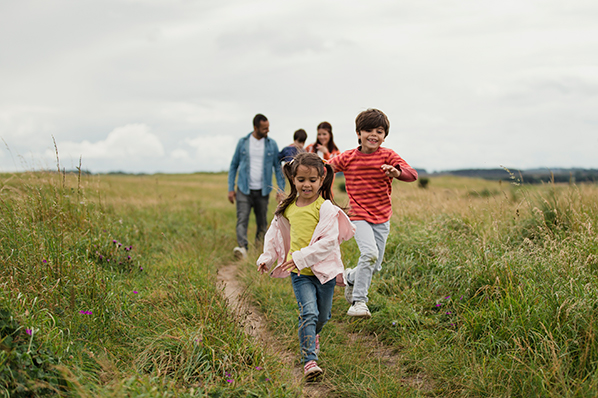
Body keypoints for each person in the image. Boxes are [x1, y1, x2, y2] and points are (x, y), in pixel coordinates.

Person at [257, 152, 355, 380]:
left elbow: (329, 242)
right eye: (301, 180)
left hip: (325, 273)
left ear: (322, 180)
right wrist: (266, 257)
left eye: (312, 180)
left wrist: (301, 256)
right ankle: (309, 360)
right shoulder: (287, 207)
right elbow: (274, 235)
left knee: (323, 316)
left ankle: (312, 334)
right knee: (308, 312)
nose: (306, 185)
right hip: (299, 273)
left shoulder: (326, 209)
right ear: (293, 179)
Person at [328, 108, 418, 318]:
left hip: (382, 217)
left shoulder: (388, 155)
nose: (373, 135)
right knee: (369, 254)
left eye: (379, 131)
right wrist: (300, 166)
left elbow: (412, 174)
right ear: (358, 133)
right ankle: (359, 302)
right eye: (368, 130)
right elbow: (325, 168)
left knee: (374, 265)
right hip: (358, 214)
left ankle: (350, 276)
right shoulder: (349, 157)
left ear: (384, 136)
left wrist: (397, 172)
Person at [228, 114, 286, 259]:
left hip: (263, 190)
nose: (267, 131)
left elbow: (277, 168)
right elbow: (234, 165)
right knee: (242, 219)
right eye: (264, 128)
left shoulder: (272, 144)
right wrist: (231, 188)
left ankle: (259, 248)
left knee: (262, 222)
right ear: (255, 128)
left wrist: (281, 189)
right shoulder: (243, 143)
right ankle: (242, 248)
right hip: (244, 188)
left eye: (268, 128)